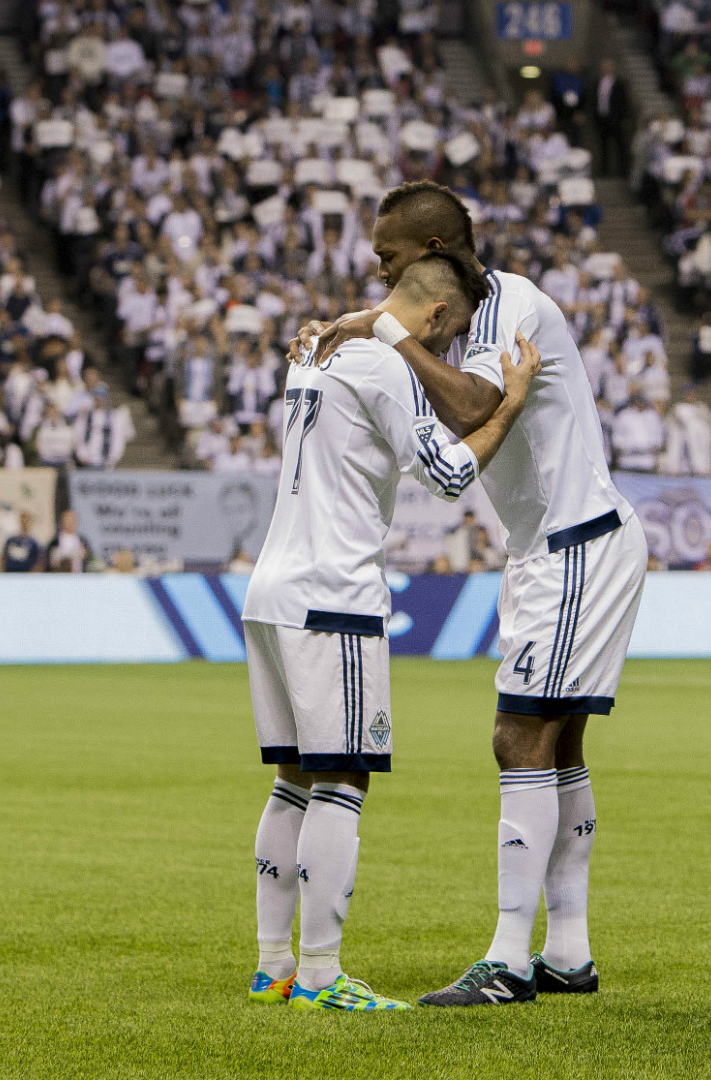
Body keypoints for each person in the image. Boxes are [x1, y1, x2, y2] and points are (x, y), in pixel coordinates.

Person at [298, 180, 649, 1007]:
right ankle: (566, 953)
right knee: (557, 747)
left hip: (575, 549)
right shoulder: (461, 326)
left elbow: (478, 408)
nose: (379, 274)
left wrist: (382, 331)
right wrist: (364, 327)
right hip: (553, 551)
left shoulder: (509, 306)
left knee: (516, 737)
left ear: (429, 252)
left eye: (388, 258)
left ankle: (506, 962)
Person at [245, 250, 532, 1013]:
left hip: (271, 588)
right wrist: (509, 404)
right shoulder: (380, 363)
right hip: (332, 594)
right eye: (455, 330)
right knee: (343, 779)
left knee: (294, 781)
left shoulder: (313, 350)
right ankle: (319, 974)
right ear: (436, 314)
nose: (449, 349)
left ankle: (273, 965)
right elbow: (443, 472)